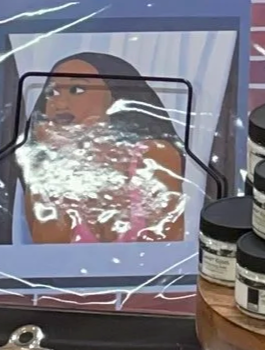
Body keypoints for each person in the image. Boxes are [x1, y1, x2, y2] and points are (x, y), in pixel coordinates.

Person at [16, 52, 187, 244]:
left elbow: (166, 246)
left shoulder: (155, 154)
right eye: (53, 92)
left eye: (77, 89)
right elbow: (50, 251)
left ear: (114, 98)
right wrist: (61, 160)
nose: (60, 103)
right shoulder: (43, 163)